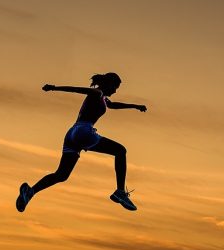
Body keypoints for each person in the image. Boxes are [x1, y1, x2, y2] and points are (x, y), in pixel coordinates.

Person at [16, 72, 146, 213]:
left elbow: (113, 105)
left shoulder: (103, 98)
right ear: (108, 83)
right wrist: (54, 88)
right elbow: (77, 89)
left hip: (72, 134)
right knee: (120, 151)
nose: (115, 91)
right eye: (115, 87)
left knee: (61, 175)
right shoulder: (97, 92)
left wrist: (135, 106)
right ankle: (120, 191)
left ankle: (31, 191)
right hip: (84, 131)